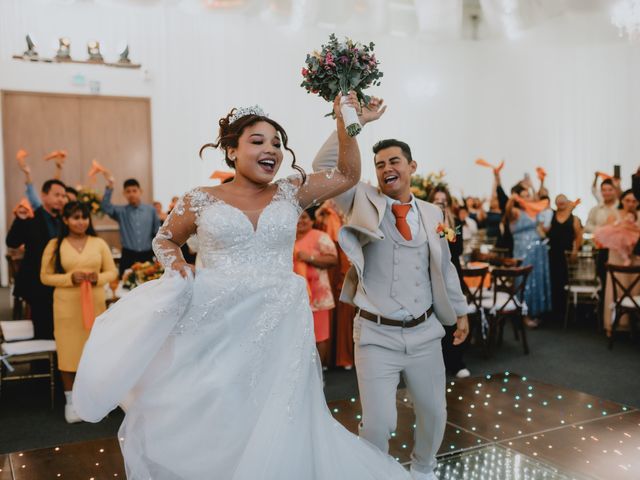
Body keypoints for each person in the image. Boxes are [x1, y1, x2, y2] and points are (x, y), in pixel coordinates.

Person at [73, 95, 412, 479]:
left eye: (277, 144)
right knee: (221, 404)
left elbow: (347, 175)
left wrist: (349, 121)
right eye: (258, 141)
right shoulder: (200, 199)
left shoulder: (291, 192)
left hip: (280, 322)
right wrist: (178, 265)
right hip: (218, 324)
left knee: (281, 410)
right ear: (231, 151)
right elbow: (164, 240)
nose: (271, 149)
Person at [313, 100, 469, 480]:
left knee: (434, 412)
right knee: (379, 423)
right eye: (380, 164)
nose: (386, 169)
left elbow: (444, 267)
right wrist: (353, 121)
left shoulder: (433, 213)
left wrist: (461, 312)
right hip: (375, 334)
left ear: (412, 166)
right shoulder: (361, 198)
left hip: (424, 333)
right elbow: (323, 168)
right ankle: (376, 475)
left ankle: (423, 469)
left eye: (394, 161)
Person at [40, 202, 117, 423]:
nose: (81, 221)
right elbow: (44, 277)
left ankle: (96, 399)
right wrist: (69, 278)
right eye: (75, 217)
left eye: (84, 217)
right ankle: (71, 401)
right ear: (65, 220)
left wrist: (98, 278)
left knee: (95, 352)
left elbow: (111, 272)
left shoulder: (99, 243)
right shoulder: (55, 245)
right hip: (66, 306)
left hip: (95, 303)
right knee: (68, 353)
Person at [6, 179, 67, 339]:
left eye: (63, 195)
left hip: (60, 282)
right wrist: (20, 219)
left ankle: (58, 361)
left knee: (60, 328)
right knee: (42, 330)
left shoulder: (65, 220)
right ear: (44, 196)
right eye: (57, 195)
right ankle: (41, 363)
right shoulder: (31, 216)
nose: (61, 199)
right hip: (37, 284)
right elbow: (11, 242)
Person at [429, 187, 470, 380]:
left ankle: (457, 361)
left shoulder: (456, 223)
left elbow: (457, 247)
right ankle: (440, 362)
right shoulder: (426, 222)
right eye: (436, 199)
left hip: (453, 274)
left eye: (443, 199)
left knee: (455, 317)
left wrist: (444, 226)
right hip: (435, 276)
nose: (440, 201)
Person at [295, 207, 338, 367]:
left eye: (305, 217)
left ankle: (319, 372)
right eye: (298, 217)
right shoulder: (288, 239)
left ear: (313, 220)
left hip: (318, 295)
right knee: (297, 335)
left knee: (319, 335)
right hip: (295, 297)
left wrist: (310, 258)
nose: (301, 221)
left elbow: (333, 260)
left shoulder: (320, 237)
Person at [505, 185, 552, 327]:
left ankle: (533, 311)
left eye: (528, 195)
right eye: (524, 195)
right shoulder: (515, 211)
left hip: (538, 249)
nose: (528, 198)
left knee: (535, 280)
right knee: (524, 280)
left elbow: (540, 197)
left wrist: (538, 182)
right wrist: (511, 199)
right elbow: (507, 211)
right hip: (523, 250)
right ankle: (523, 315)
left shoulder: (533, 210)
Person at [597, 190, 640, 335]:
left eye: (634, 201)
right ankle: (611, 325)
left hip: (635, 258)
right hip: (616, 257)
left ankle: (631, 324)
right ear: (622, 201)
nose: (630, 204)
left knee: (633, 290)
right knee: (615, 290)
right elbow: (608, 234)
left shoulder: (639, 216)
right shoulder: (614, 214)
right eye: (628, 200)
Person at [100, 176, 161, 276]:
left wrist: (159, 256)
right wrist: (109, 187)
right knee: (125, 287)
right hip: (128, 256)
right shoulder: (120, 212)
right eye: (128, 191)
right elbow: (105, 206)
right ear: (124, 193)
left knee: (148, 287)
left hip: (147, 255)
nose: (131, 194)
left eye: (134, 190)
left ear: (140, 191)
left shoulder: (151, 210)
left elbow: (157, 233)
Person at [547, 195, 583, 317]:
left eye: (563, 200)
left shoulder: (574, 219)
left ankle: (564, 312)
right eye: (559, 200)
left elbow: (578, 236)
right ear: (555, 203)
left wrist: (575, 251)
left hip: (567, 255)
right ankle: (553, 311)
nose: (561, 202)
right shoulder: (550, 216)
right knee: (552, 281)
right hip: (552, 254)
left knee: (564, 281)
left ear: (567, 202)